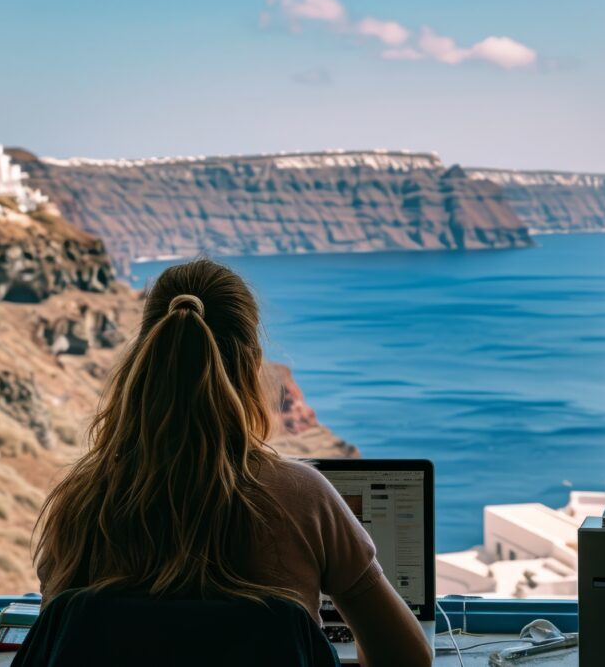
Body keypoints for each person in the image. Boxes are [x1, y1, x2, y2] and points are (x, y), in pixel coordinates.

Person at [33, 259, 432, 667]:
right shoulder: (302, 498)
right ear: (252, 365)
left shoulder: (79, 505)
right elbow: (407, 659)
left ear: (144, 356)